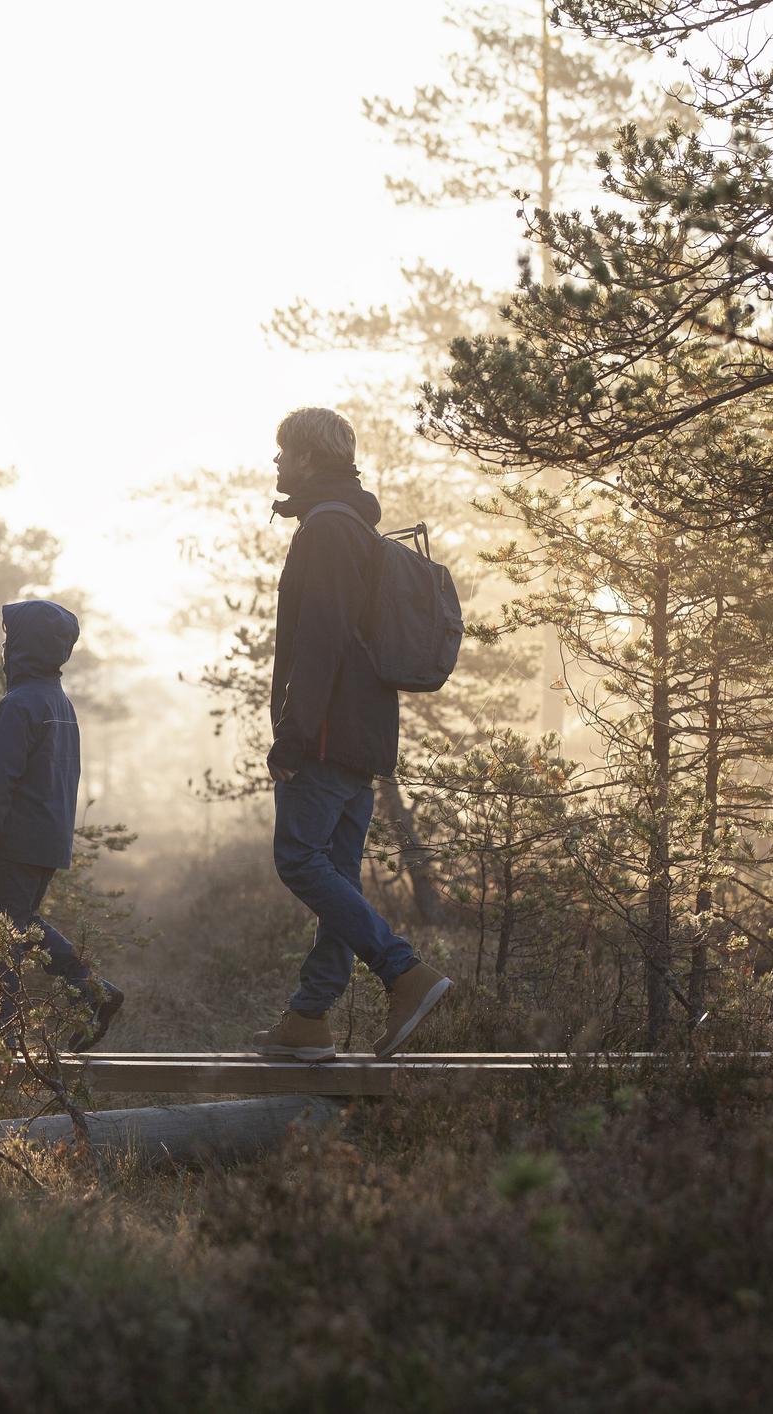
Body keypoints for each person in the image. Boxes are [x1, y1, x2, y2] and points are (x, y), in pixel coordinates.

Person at [251, 407, 454, 1061]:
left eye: (284, 453)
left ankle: (402, 972)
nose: (277, 464)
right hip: (362, 734)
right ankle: (309, 1017)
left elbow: (322, 638)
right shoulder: (347, 527)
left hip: (327, 735)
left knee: (299, 860)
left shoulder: (328, 530)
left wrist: (292, 733)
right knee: (334, 870)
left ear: (308, 458)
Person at [0, 600, 125, 1050]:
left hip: (21, 839)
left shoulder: (20, 703)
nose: (5, 646)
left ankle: (0, 1026)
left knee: (1, 930)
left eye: (11, 639)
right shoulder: (57, 702)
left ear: (25, 646)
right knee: (18, 925)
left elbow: (0, 779)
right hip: (47, 839)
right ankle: (90, 994)